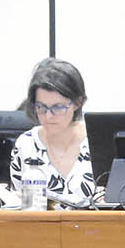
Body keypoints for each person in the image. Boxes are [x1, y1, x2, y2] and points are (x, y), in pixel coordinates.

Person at [7, 57, 96, 208]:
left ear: (77, 102)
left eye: (58, 107)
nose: (48, 116)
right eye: (41, 107)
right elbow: (17, 205)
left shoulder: (97, 141)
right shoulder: (26, 144)